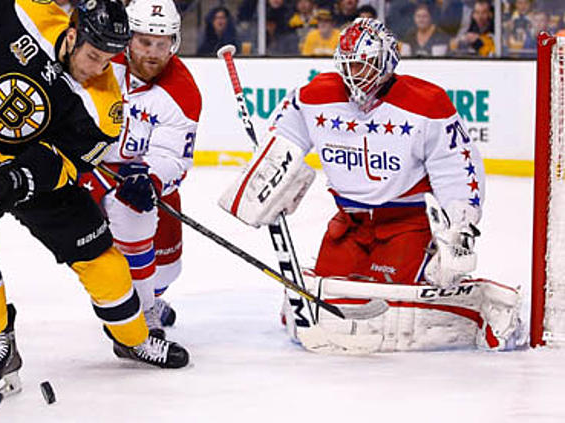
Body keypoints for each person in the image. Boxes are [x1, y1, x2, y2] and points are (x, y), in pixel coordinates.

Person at [0, 0, 190, 395]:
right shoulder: (30, 12)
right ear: (71, 34)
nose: (98, 67)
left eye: (107, 59)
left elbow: (68, 161)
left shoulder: (107, 103)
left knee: (102, 261)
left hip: (39, 177)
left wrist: (19, 179)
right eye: (91, 54)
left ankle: (134, 340)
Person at [218, 18, 522, 352]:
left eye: (364, 65)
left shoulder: (427, 103)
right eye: (348, 65)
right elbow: (281, 142)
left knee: (394, 301)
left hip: (406, 224)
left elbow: (457, 170)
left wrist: (459, 227)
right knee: (329, 295)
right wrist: (267, 179)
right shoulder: (313, 96)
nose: (355, 75)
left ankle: (479, 304)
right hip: (348, 224)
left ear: (387, 63)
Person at [80, 0, 201, 335]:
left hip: (140, 176)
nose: (152, 52)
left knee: (167, 268)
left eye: (161, 44)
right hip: (90, 169)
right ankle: (137, 311)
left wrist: (151, 180)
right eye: (145, 41)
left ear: (173, 44)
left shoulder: (182, 91)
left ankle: (149, 293)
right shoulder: (101, 59)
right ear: (129, 37)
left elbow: (172, 155)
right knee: (123, 228)